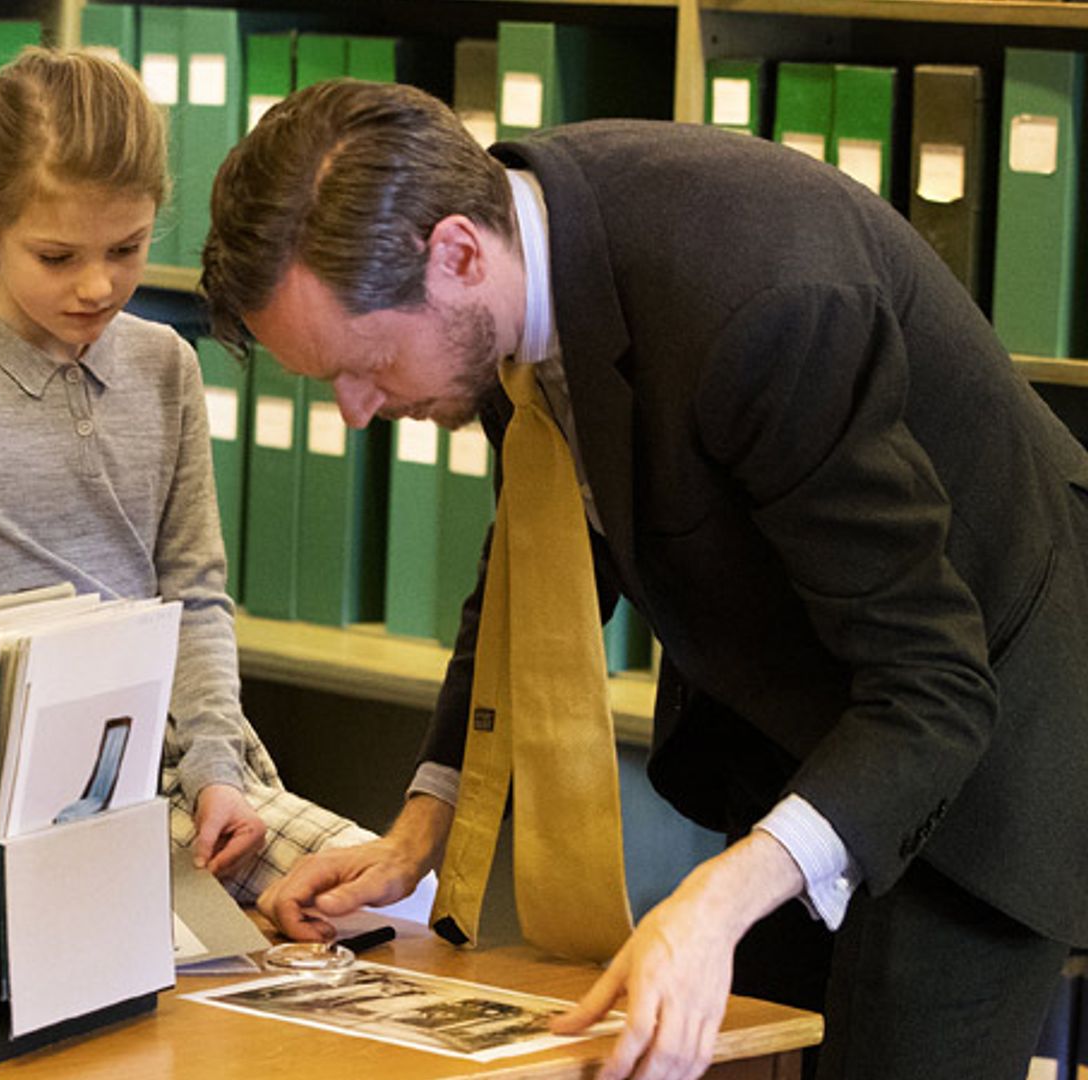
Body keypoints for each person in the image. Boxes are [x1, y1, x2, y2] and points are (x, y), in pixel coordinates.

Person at [199, 79, 1088, 1080]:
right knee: (736, 1047)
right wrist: (420, 830)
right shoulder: (505, 281)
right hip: (806, 719)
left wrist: (715, 895)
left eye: (362, 365)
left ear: (453, 253)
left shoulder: (760, 305)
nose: (356, 412)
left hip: (986, 733)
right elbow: (535, 557)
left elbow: (935, 687)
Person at [0, 46, 374, 914]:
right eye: (58, 256)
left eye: (128, 247)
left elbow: (195, 594)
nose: (98, 285)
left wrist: (221, 767)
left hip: (180, 766)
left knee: (381, 900)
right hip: (3, 789)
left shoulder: (165, 366)